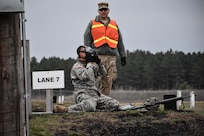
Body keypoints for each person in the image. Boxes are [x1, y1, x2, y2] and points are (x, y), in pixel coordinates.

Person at [53, 45, 120, 113]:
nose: (88, 54)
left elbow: (103, 73)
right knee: (90, 105)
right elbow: (85, 76)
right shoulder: (77, 66)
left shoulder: (92, 65)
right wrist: (89, 63)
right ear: (80, 53)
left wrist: (99, 63)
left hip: (94, 94)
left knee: (114, 104)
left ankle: (91, 109)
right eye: (85, 52)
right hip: (83, 94)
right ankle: (66, 109)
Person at [84, 2, 127, 96]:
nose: (103, 11)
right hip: (97, 57)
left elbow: (119, 40)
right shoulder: (92, 23)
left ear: (108, 11)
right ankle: (94, 100)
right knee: (96, 80)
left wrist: (123, 55)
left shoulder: (114, 24)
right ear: (98, 11)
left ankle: (105, 102)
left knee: (108, 80)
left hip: (111, 58)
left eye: (105, 9)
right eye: (101, 10)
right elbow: (87, 39)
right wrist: (88, 55)